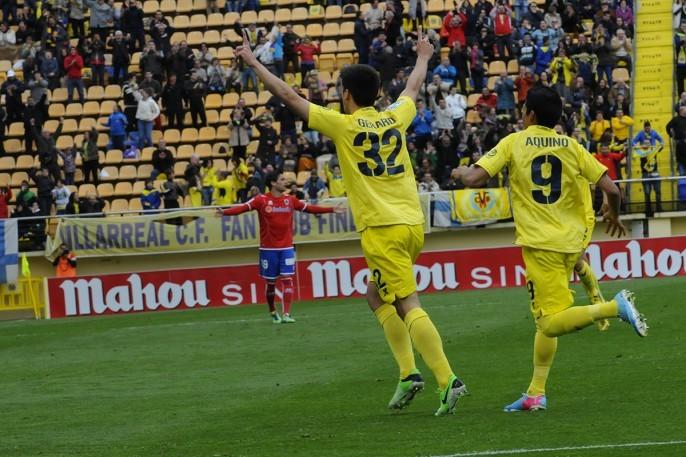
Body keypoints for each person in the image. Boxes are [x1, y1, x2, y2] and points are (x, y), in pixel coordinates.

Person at [234, 27, 466, 415]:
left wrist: (254, 61)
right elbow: (411, 90)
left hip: (381, 227)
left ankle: (447, 380)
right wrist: (423, 56)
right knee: (376, 295)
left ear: (346, 95)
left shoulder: (344, 125)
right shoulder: (395, 117)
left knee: (407, 302)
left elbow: (289, 96)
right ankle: (408, 374)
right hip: (411, 222)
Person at [452, 85, 648, 412]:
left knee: (549, 322)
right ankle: (535, 392)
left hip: (541, 244)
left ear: (528, 114)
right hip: (573, 242)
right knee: (544, 313)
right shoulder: (572, 146)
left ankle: (614, 307)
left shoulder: (514, 142)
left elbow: (474, 179)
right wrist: (612, 213)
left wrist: (460, 171)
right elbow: (612, 189)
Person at [217, 172, 342, 323]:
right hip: (268, 250)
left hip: (287, 248)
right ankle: (272, 310)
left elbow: (310, 208)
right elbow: (242, 208)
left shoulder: (290, 200)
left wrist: (331, 210)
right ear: (273, 183)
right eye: (281, 179)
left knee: (287, 280)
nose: (285, 182)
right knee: (271, 284)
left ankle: (287, 314)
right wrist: (224, 212)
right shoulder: (261, 200)